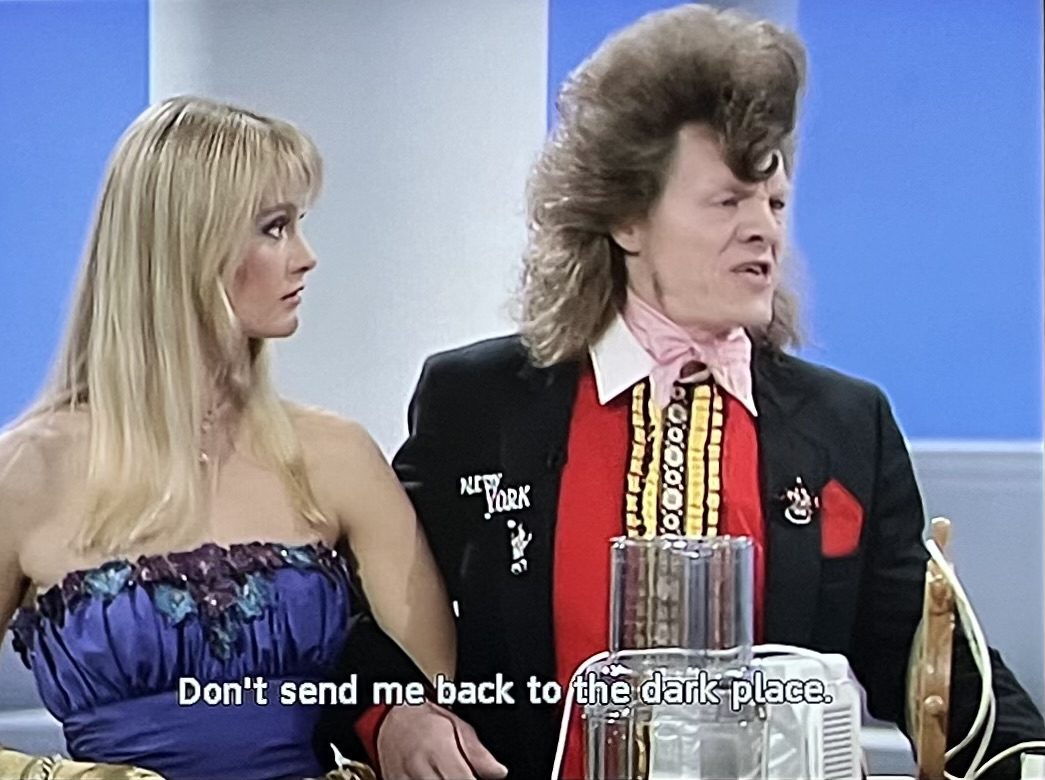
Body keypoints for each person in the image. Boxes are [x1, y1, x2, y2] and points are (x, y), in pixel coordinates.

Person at [342, 4, 1045, 779]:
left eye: (774, 203)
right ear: (625, 218)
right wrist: (392, 713)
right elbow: (362, 614)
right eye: (727, 201)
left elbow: (934, 665)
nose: (763, 229)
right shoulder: (477, 402)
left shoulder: (847, 423)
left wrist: (1029, 760)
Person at [0, 96, 455, 780]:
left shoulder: (337, 457)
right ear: (186, 247)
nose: (306, 257)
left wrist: (399, 720)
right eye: (275, 228)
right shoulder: (28, 471)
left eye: (298, 225)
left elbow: (442, 702)